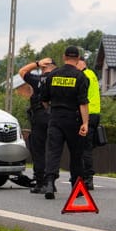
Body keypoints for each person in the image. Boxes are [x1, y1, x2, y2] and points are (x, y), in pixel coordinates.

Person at [40, 45, 90, 200]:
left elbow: (44, 99)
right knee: (76, 154)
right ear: (78, 58)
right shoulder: (81, 77)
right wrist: (85, 123)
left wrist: (51, 110)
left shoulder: (53, 75)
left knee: (53, 152)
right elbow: (83, 103)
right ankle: (77, 187)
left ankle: (49, 183)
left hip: (55, 118)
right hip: (73, 119)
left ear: (64, 57)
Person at [18, 56, 57, 193]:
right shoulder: (58, 79)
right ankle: (51, 182)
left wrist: (36, 63)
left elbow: (22, 71)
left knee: (38, 150)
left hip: (40, 118)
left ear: (45, 66)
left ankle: (41, 183)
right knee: (53, 151)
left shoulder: (38, 80)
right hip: (56, 118)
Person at [77, 55, 101, 190]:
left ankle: (87, 178)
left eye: (76, 64)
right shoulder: (92, 74)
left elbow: (81, 98)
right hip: (95, 114)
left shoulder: (84, 76)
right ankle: (85, 176)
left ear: (82, 62)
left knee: (84, 148)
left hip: (87, 115)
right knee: (87, 147)